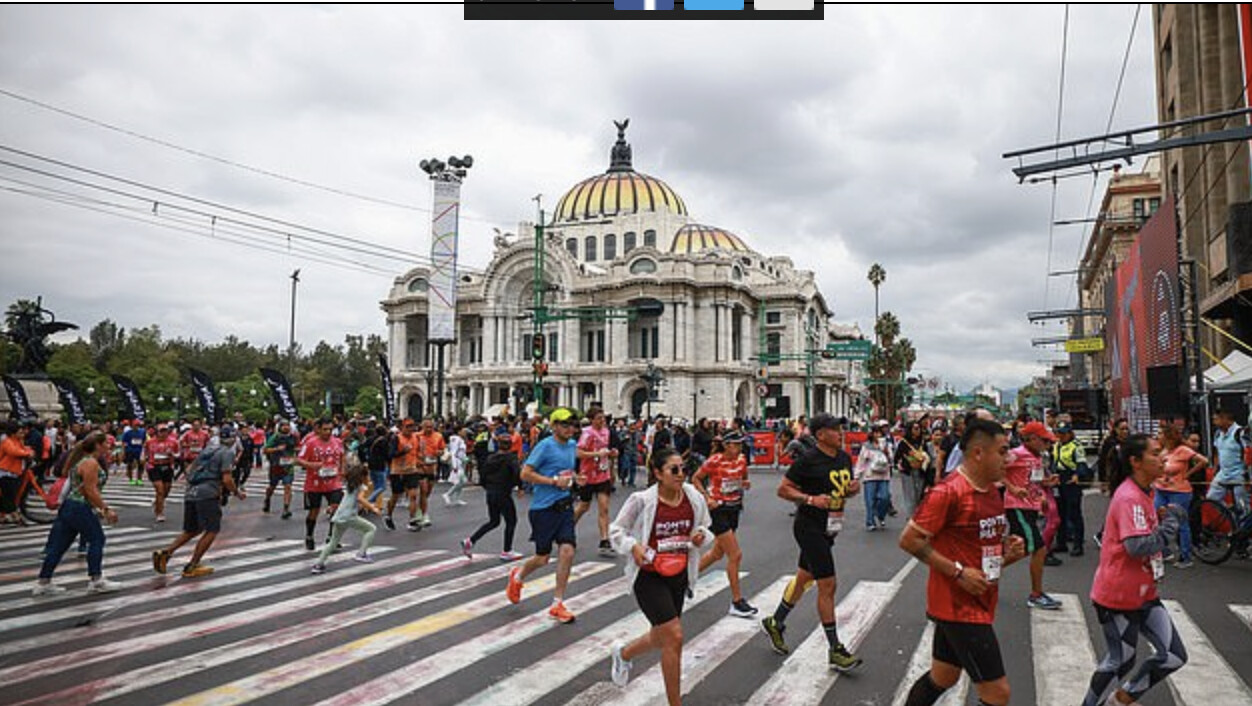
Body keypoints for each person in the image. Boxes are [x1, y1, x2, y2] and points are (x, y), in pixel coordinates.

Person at [897, 417, 1027, 706]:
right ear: (978, 453)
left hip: (979, 598)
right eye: (1002, 451)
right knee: (997, 693)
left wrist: (1007, 555)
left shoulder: (992, 490)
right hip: (958, 607)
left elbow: (977, 552)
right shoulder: (948, 492)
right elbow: (909, 540)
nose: (1009, 458)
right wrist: (957, 573)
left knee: (943, 676)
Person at [1081, 433, 1189, 706]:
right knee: (1120, 661)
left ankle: (1120, 699)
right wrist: (1171, 524)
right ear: (1135, 461)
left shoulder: (1145, 491)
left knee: (1174, 656)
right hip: (1118, 597)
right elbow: (1137, 546)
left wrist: (1162, 520)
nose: (1162, 458)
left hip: (1145, 593)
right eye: (1155, 453)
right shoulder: (1129, 496)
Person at [607, 447, 713, 705]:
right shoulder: (641, 501)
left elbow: (704, 526)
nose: (680, 475)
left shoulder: (693, 497)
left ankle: (624, 653)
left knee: (662, 635)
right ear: (657, 473)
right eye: (673, 470)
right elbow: (616, 531)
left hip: (678, 574)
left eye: (683, 469)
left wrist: (700, 536)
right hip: (649, 576)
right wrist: (633, 546)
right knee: (674, 637)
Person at [761, 413, 864, 672]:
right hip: (809, 527)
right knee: (828, 584)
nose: (841, 433)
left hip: (831, 527)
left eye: (841, 428)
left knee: (804, 578)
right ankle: (835, 649)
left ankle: (775, 621)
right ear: (820, 435)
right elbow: (783, 489)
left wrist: (852, 489)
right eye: (835, 429)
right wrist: (809, 499)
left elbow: (844, 488)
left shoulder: (843, 457)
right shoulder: (808, 460)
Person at [505, 407, 582, 624]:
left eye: (572, 425)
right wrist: (553, 482)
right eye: (565, 424)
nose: (569, 429)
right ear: (554, 426)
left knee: (567, 551)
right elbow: (525, 473)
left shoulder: (572, 445)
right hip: (543, 508)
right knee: (542, 558)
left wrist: (576, 478)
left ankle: (557, 603)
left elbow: (566, 471)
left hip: (564, 506)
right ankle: (518, 576)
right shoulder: (545, 446)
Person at [32, 432, 125, 595]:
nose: (109, 446)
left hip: (70, 506)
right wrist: (105, 509)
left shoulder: (83, 461)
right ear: (98, 445)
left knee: (59, 545)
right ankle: (96, 580)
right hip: (80, 506)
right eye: (106, 443)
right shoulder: (90, 463)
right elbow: (90, 490)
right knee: (97, 539)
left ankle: (43, 582)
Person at [152, 424, 245, 578]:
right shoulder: (227, 453)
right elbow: (227, 478)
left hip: (191, 492)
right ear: (234, 439)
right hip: (208, 493)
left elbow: (190, 470)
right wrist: (236, 492)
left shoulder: (207, 450)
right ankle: (192, 565)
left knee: (192, 529)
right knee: (212, 529)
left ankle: (166, 553)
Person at [693, 430, 756, 617]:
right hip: (718, 510)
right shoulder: (714, 460)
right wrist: (707, 498)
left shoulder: (742, 460)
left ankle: (686, 579)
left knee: (716, 554)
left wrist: (744, 483)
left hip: (734, 509)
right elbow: (696, 478)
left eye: (741, 444)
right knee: (735, 555)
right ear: (726, 445)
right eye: (736, 444)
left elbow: (743, 477)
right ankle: (736, 601)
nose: (739, 447)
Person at [1003, 421, 1063, 609]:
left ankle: (987, 571)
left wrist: (1046, 484)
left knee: (1022, 548)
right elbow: (995, 469)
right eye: (1045, 441)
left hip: (1030, 507)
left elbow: (1033, 482)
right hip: (1017, 506)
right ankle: (1035, 594)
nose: (1047, 445)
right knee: (1036, 548)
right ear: (1033, 439)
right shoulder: (1017, 454)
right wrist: (1012, 488)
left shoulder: (1037, 457)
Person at [463, 425, 525, 561]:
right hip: (503, 493)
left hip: (491, 492)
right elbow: (517, 473)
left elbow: (483, 476)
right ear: (510, 445)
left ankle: (471, 540)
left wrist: (488, 487)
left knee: (494, 521)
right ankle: (507, 550)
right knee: (511, 521)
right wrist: (520, 487)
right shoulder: (511, 458)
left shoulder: (490, 458)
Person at [311, 457, 379, 573]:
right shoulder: (361, 487)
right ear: (362, 477)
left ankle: (318, 564)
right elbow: (360, 498)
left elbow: (353, 500)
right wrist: (372, 507)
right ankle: (361, 553)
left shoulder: (350, 486)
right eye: (367, 476)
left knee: (333, 542)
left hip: (339, 516)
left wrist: (362, 506)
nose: (369, 478)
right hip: (349, 516)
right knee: (371, 529)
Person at [1154, 422, 1206, 569]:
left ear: (1169, 437)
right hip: (1161, 489)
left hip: (1179, 491)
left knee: (1181, 524)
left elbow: (1203, 461)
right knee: (1155, 518)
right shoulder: (1163, 451)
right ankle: (1163, 551)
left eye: (1161, 434)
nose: (1159, 436)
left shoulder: (1183, 450)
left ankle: (1185, 556)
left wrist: (1187, 474)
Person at [574, 407, 618, 557]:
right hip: (587, 474)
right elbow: (578, 453)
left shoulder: (606, 432)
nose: (602, 420)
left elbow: (608, 450)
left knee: (604, 508)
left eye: (603, 418)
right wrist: (596, 454)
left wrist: (612, 454)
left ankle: (604, 540)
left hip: (602, 474)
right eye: (599, 418)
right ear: (592, 420)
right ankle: (567, 528)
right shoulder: (587, 433)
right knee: (583, 506)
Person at [297, 418, 346, 550]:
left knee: (336, 509)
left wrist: (342, 471)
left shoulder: (337, 442)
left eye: (330, 429)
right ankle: (309, 536)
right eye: (325, 429)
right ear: (318, 429)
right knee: (314, 511)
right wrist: (312, 465)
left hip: (334, 482)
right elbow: (299, 460)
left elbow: (342, 457)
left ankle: (332, 537)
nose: (328, 432)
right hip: (315, 483)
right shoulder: (310, 443)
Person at [1052, 422, 1090, 557]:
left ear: (1069, 433)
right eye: (1059, 433)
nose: (1061, 435)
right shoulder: (1056, 445)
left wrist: (1077, 475)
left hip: (1071, 480)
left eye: (1064, 433)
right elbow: (1054, 462)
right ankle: (1061, 542)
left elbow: (1081, 463)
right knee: (1060, 514)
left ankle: (1078, 545)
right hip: (1059, 479)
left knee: (1074, 514)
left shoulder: (1076, 446)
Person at [1209, 407, 1250, 514]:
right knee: (1212, 498)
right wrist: (1215, 468)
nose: (1214, 422)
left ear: (1225, 419)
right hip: (1223, 473)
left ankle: (1243, 523)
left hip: (1239, 474)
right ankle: (1230, 515)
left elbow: (1248, 451)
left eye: (1216, 419)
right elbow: (1217, 452)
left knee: (1242, 506)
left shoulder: (1240, 433)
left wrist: (1246, 471)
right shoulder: (1218, 434)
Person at [856, 425, 894, 530]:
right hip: (870, 476)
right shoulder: (866, 446)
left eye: (880, 433)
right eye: (875, 433)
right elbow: (861, 461)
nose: (878, 435)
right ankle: (870, 522)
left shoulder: (887, 445)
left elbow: (891, 459)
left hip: (883, 476)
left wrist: (885, 450)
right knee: (870, 500)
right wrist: (856, 476)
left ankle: (880, 514)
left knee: (885, 497)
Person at [385, 419, 420, 531]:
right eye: (407, 427)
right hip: (397, 471)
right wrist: (403, 451)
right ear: (402, 428)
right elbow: (390, 454)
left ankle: (412, 521)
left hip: (412, 470)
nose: (410, 429)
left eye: (412, 426)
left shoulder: (415, 437)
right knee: (396, 496)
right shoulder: (396, 438)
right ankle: (388, 515)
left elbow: (418, 452)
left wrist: (421, 462)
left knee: (413, 495)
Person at [262, 420, 299, 519]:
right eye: (284, 426)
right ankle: (267, 498)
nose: (286, 427)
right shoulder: (275, 437)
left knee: (288, 486)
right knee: (272, 486)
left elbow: (298, 447)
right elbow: (265, 450)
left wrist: (296, 451)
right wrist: (276, 449)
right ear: (280, 427)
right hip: (276, 466)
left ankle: (286, 509)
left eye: (288, 425)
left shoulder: (293, 437)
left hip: (288, 467)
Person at [143, 423, 179, 523]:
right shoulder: (150, 442)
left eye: (165, 431)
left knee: (166, 490)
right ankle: (159, 513)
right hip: (154, 466)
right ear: (157, 432)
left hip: (167, 466)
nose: (163, 433)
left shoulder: (173, 442)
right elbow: (145, 452)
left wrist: (172, 454)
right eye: (161, 431)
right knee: (160, 490)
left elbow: (178, 454)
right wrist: (144, 460)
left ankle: (158, 502)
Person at [1, 420, 34, 525]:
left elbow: (26, 450)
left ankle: (6, 515)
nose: (23, 433)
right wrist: (27, 453)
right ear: (13, 433)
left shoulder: (18, 441)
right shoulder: (7, 441)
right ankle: (15, 515)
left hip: (14, 472)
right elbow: (14, 452)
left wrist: (28, 452)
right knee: (9, 496)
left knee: (10, 495)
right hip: (6, 472)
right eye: (20, 432)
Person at [414, 418, 446, 527]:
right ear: (422, 427)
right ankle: (424, 515)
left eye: (431, 427)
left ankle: (420, 509)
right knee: (423, 490)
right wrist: (419, 459)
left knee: (428, 492)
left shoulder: (438, 436)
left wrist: (440, 452)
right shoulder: (417, 436)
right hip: (420, 466)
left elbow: (442, 449)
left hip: (432, 466)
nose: (429, 429)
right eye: (427, 427)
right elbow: (413, 451)